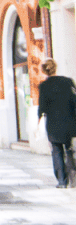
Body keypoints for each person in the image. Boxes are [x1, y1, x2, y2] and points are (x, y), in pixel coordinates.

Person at [38, 59, 76, 188]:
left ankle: (62, 181)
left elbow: (42, 107)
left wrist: (38, 120)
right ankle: (73, 177)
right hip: (68, 122)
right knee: (69, 148)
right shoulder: (68, 82)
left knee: (56, 150)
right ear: (55, 68)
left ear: (44, 70)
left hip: (53, 124)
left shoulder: (43, 86)